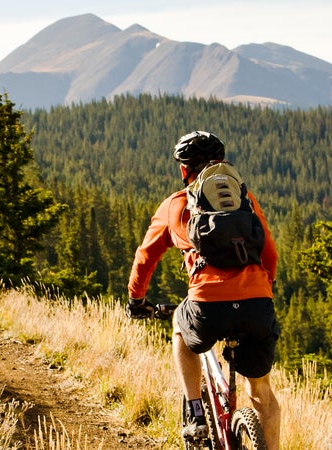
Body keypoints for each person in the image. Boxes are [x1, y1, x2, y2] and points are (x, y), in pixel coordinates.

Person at [126, 131, 280, 449]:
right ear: (221, 163)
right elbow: (270, 253)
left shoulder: (175, 205)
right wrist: (265, 289)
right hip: (257, 302)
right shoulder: (245, 201)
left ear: (184, 170)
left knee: (181, 329)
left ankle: (195, 411)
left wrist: (136, 298)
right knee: (261, 392)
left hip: (208, 303)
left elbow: (145, 256)